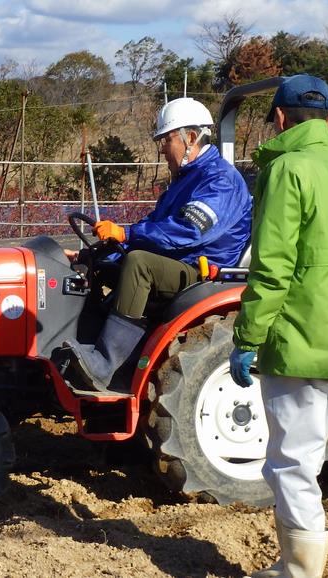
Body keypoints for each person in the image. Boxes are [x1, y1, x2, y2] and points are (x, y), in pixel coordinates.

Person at [228, 75, 328, 578]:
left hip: (297, 339)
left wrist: (247, 337)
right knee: (305, 459)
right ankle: (296, 563)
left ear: (281, 118)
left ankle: (300, 572)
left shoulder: (288, 169)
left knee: (288, 463)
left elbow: (273, 265)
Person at [63, 97, 252, 392]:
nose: (161, 148)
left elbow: (188, 231)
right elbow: (155, 229)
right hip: (178, 261)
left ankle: (107, 363)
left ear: (191, 137)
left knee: (140, 264)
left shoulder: (220, 181)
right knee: (99, 265)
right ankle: (84, 344)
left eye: (166, 139)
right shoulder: (183, 181)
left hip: (201, 270)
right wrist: (94, 254)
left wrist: (126, 234)